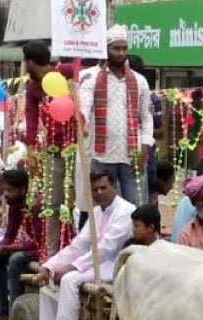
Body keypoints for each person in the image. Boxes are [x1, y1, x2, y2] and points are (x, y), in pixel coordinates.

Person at [25, 170, 135, 320]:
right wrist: (50, 266)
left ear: (114, 187)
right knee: (49, 277)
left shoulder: (126, 211)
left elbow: (106, 248)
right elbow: (79, 245)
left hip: (116, 265)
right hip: (94, 263)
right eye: (95, 190)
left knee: (69, 279)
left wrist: (73, 266)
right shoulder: (96, 212)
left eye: (104, 188)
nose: (100, 193)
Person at [79, 25, 154, 206]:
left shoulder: (139, 80)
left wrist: (145, 148)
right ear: (106, 51)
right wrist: (82, 120)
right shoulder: (91, 78)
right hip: (102, 156)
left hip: (132, 155)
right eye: (116, 49)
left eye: (124, 49)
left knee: (136, 207)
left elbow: (146, 116)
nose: (121, 53)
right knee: (102, 208)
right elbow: (85, 104)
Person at [22, 40, 75, 257]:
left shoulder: (68, 71)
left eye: (25, 60)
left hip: (78, 148)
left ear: (32, 62)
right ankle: (52, 254)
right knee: (52, 203)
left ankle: (74, 250)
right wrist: (31, 154)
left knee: (76, 203)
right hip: (53, 152)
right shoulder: (33, 88)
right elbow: (31, 122)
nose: (23, 65)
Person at [0, 169, 44, 320]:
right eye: (4, 191)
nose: (6, 195)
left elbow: (37, 242)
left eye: (10, 190)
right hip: (25, 246)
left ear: (23, 190)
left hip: (41, 250)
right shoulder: (15, 206)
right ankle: (2, 313)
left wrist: (8, 248)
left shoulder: (36, 205)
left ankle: (14, 317)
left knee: (16, 260)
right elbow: (9, 235)